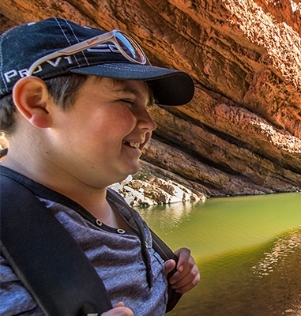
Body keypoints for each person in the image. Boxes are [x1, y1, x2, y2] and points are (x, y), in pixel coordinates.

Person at [0, 17, 200, 315]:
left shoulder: (105, 198)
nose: (149, 123)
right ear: (37, 103)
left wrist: (165, 272)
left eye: (146, 105)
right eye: (126, 100)